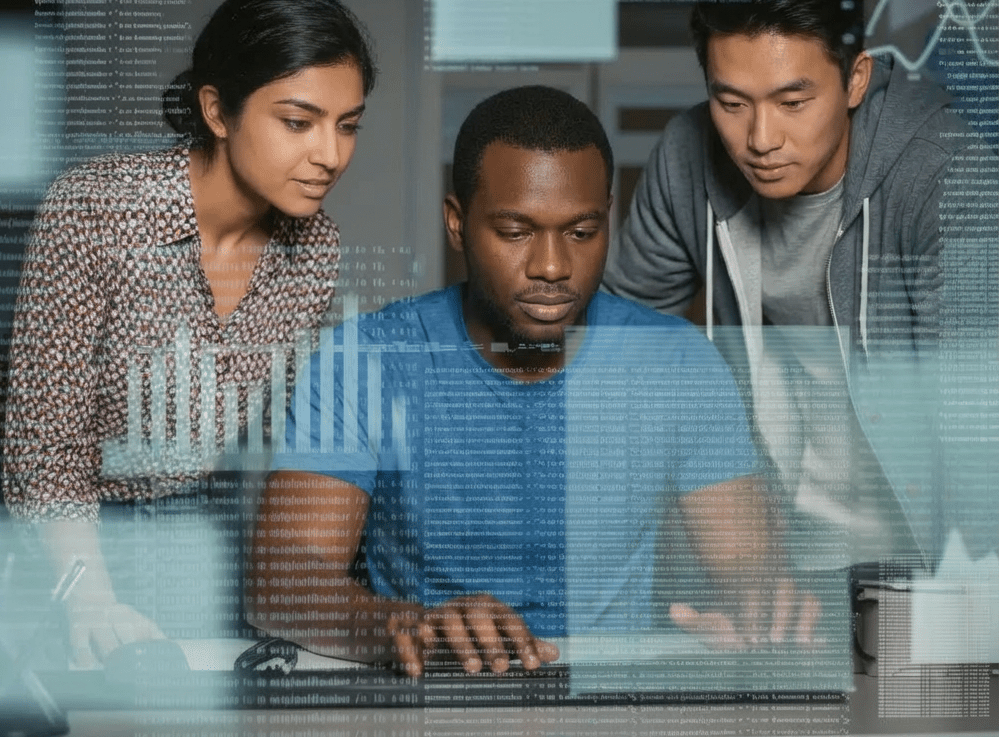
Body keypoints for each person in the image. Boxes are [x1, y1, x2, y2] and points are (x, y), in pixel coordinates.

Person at [250, 84, 818, 680]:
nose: (552, 266)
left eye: (580, 231)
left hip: (608, 709)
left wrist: (762, 605)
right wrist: (403, 627)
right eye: (517, 231)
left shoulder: (674, 363)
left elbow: (746, 560)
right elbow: (283, 582)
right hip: (433, 701)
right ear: (457, 223)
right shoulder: (364, 358)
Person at [0, 0, 377, 667]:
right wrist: (88, 596)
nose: (331, 155)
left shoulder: (316, 248)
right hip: (22, 502)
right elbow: (45, 446)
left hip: (179, 509)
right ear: (217, 110)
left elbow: (272, 427)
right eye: (297, 121)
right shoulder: (94, 209)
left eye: (347, 125)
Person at [604, 0, 997, 571]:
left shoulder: (946, 177)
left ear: (856, 79)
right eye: (731, 103)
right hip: (774, 559)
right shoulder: (687, 157)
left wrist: (960, 605)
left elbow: (979, 427)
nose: (761, 138)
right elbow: (620, 348)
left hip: (925, 557)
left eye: (793, 102)